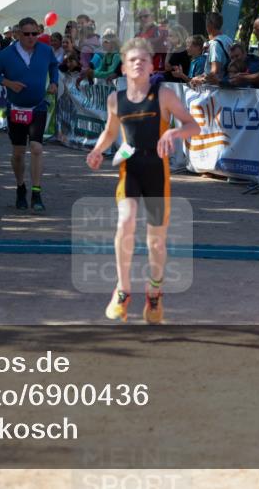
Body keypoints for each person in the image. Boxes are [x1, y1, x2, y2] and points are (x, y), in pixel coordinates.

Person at [86, 38, 199, 323]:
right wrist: (98, 150)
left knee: (156, 243)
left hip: (156, 173)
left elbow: (193, 125)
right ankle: (122, 290)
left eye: (144, 59)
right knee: (124, 222)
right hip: (131, 168)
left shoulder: (164, 96)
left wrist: (173, 133)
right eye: (132, 60)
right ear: (123, 68)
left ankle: (154, 293)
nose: (138, 63)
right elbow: (111, 133)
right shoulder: (116, 100)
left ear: (152, 66)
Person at [0, 17, 59, 212]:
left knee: (37, 148)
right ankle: (21, 187)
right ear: (18, 34)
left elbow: (54, 66)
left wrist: (54, 82)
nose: (30, 38)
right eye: (26, 34)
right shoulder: (7, 54)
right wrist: (9, 84)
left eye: (34, 34)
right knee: (18, 153)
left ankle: (36, 193)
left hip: (38, 107)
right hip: (16, 108)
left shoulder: (45, 50)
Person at [190, 11, 231, 85]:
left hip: (214, 89)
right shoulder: (228, 39)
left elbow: (214, 71)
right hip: (224, 85)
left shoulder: (215, 44)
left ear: (209, 25)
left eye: (206, 23)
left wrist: (201, 80)